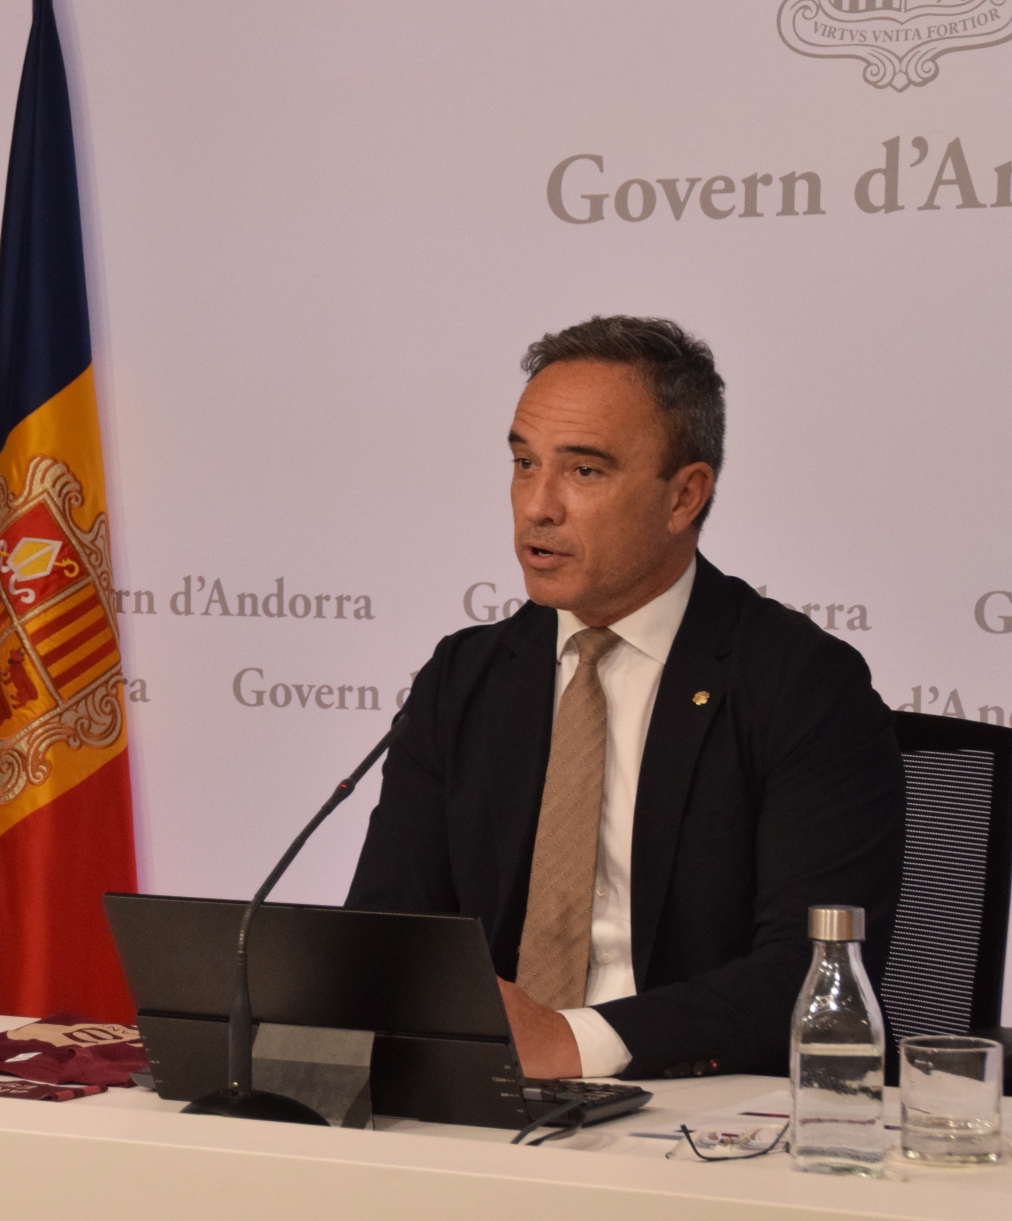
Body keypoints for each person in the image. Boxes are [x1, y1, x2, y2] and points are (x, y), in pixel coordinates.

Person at [346, 316, 903, 1081]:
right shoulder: (465, 676)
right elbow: (387, 933)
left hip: (694, 1099)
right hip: (484, 1099)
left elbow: (811, 976)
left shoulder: (802, 685)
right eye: (524, 463)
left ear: (684, 497)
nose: (537, 506)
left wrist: (574, 1041)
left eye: (584, 471)